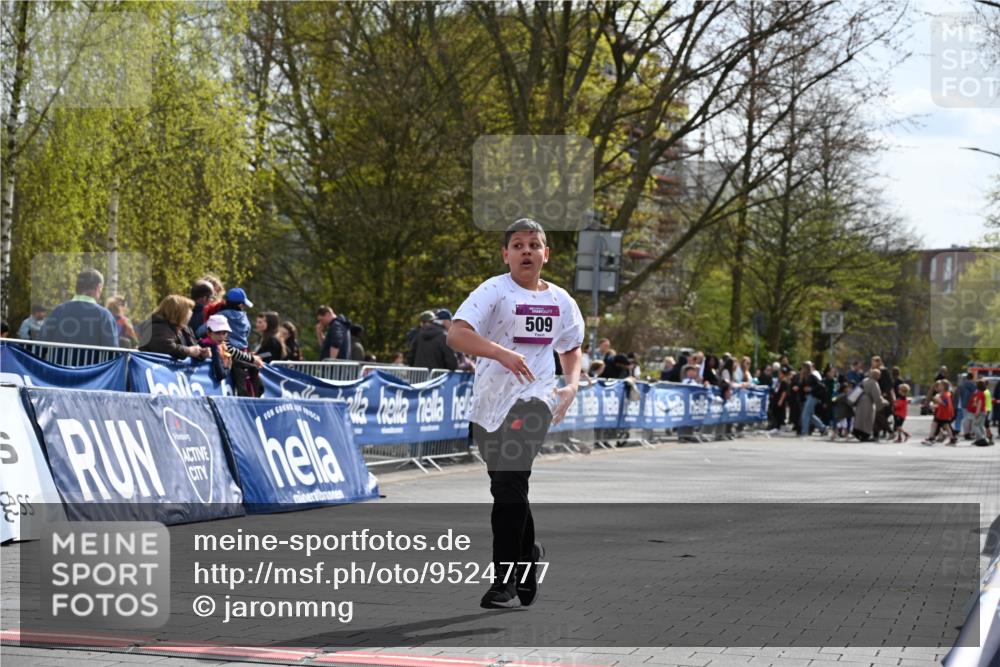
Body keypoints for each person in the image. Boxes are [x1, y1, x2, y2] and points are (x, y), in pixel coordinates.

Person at [446, 218, 584, 610]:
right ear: (506, 254)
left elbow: (571, 347)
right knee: (507, 487)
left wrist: (571, 384)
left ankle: (504, 581)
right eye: (518, 245)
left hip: (536, 398)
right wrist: (501, 353)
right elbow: (456, 334)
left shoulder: (561, 301)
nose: (527, 251)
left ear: (546, 254)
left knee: (510, 479)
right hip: (490, 404)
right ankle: (529, 555)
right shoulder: (493, 290)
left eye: (534, 245)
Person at [39, 268, 118, 347]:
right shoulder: (105, 315)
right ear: (98, 287)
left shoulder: (57, 311)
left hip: (58, 359)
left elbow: (40, 344)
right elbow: (112, 352)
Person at [219, 288, 263, 396]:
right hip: (242, 355)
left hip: (227, 356)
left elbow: (200, 331)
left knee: (240, 389)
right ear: (240, 305)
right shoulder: (244, 318)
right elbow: (246, 334)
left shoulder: (219, 317)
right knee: (251, 387)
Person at [138, 295, 209, 361]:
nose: (190, 315)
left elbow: (193, 347)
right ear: (178, 313)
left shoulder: (184, 328)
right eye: (187, 311)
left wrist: (201, 353)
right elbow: (166, 347)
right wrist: (189, 351)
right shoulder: (157, 327)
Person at [852, 368, 885, 442]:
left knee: (859, 418)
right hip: (868, 402)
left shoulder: (865, 380)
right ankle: (865, 435)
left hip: (861, 400)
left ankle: (857, 432)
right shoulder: (874, 383)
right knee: (867, 419)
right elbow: (876, 396)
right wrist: (883, 402)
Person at [923, 380, 957, 445]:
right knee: (945, 426)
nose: (939, 386)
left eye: (940, 385)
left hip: (942, 414)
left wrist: (938, 400)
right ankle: (952, 439)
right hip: (943, 413)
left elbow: (945, 403)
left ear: (944, 387)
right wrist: (935, 406)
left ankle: (931, 438)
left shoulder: (944, 394)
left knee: (935, 424)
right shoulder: (946, 393)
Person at [799, 361, 827, 437]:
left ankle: (804, 431)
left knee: (805, 414)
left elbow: (821, 386)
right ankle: (823, 428)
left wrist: (811, 389)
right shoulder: (804, 377)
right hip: (808, 397)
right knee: (810, 415)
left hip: (813, 396)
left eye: (803, 368)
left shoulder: (812, 376)